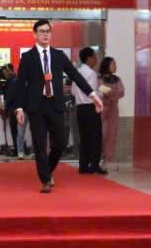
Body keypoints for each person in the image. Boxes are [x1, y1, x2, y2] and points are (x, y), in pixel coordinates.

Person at [15, 20, 99, 193]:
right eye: (42, 31)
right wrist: (19, 108)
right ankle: (45, 180)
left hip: (55, 104)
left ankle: (48, 169)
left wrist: (92, 94)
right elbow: (20, 84)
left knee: (60, 142)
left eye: (48, 31)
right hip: (36, 106)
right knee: (39, 144)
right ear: (35, 34)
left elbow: (75, 75)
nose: (45, 34)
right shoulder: (28, 57)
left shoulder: (59, 55)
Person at [74, 47, 104, 175]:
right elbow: (92, 92)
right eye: (94, 57)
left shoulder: (77, 72)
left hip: (80, 108)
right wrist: (102, 92)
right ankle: (94, 165)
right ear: (89, 58)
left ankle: (83, 165)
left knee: (84, 137)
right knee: (95, 137)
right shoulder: (91, 73)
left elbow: (73, 91)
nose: (96, 59)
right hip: (90, 107)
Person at [97, 56, 125, 171]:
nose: (115, 66)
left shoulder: (117, 79)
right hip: (102, 109)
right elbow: (101, 89)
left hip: (113, 110)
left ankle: (107, 160)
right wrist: (113, 92)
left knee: (112, 134)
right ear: (106, 65)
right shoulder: (99, 78)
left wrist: (110, 93)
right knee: (102, 134)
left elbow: (121, 92)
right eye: (113, 64)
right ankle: (97, 158)